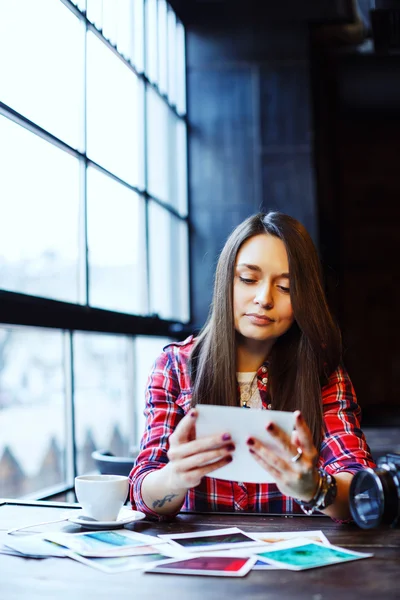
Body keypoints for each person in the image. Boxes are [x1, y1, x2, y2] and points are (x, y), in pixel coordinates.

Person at [129, 212, 375, 521]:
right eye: (248, 279)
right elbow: (143, 492)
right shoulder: (175, 366)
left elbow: (363, 491)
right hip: (200, 564)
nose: (263, 299)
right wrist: (175, 477)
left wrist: (314, 488)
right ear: (225, 281)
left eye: (285, 288)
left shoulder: (322, 371)